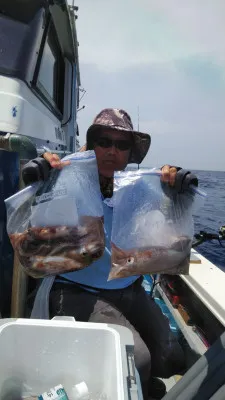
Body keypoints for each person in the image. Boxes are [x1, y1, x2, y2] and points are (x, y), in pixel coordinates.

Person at [22, 108, 197, 400]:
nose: (112, 151)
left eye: (122, 144)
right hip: (78, 289)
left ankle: (142, 384)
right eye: (104, 141)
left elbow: (168, 206)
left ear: (131, 152)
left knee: (171, 356)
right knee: (136, 360)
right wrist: (42, 170)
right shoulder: (66, 176)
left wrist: (176, 184)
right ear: (91, 146)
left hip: (127, 284)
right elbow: (36, 189)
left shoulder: (138, 186)